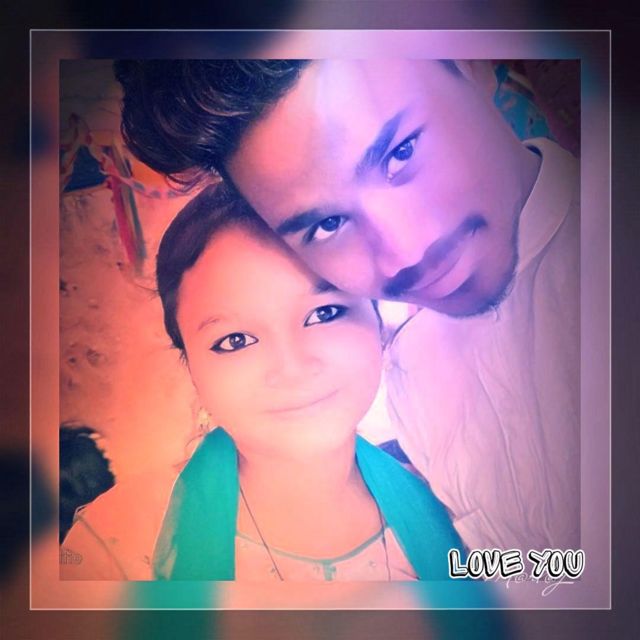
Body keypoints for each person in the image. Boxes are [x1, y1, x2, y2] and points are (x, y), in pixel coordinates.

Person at [114, 59, 580, 553]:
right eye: (328, 225)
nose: (406, 253)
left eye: (402, 152)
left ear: (471, 61)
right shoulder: (408, 364)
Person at [61, 184, 465, 581]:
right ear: (193, 370)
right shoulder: (115, 549)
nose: (292, 367)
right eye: (235, 340)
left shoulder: (461, 508)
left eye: (324, 313)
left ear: (378, 323)